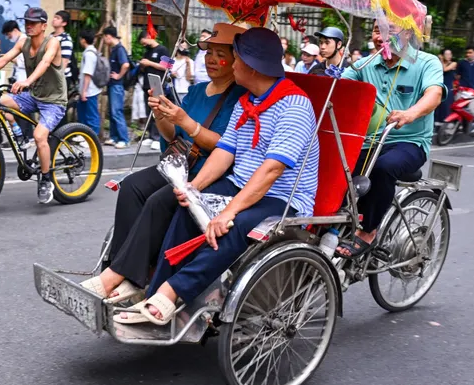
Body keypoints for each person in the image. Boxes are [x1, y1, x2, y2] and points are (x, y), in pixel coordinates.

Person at [116, 27, 319, 325]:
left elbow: (272, 170)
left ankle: (173, 292)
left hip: (282, 197)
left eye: (235, 59)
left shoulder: (294, 106)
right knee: (187, 207)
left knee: (230, 226)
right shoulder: (247, 101)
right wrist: (192, 187)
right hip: (241, 184)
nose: (232, 65)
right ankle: (156, 289)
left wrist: (228, 211)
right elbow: (225, 151)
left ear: (250, 66)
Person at [81, 23, 247, 303]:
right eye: (209, 53)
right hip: (179, 163)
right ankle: (119, 268)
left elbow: (223, 145)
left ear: (235, 60)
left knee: (160, 200)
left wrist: (186, 121)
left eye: (221, 54)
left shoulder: (239, 98)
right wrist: (161, 114)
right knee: (132, 186)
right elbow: (173, 137)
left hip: (210, 171)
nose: (212, 60)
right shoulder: (197, 91)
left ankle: (125, 277)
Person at [336, 22, 445, 258]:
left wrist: (410, 113)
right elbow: (340, 87)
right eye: (377, 30)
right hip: (369, 141)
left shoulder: (426, 62)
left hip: (410, 142)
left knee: (384, 167)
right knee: (336, 167)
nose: (381, 37)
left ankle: (368, 231)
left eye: (389, 31)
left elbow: (434, 95)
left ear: (407, 33)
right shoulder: (366, 63)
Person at [0, 7, 67, 204]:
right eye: (26, 22)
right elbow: (4, 59)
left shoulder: (52, 42)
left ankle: (46, 180)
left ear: (44, 26)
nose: (28, 26)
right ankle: (19, 136)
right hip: (34, 96)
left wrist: (27, 81)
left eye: (33, 23)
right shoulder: (23, 42)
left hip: (54, 101)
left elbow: (45, 63)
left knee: (39, 136)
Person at [139, 31, 171, 149]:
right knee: (149, 111)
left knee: (158, 110)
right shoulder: (147, 52)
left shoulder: (162, 50)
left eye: (144, 42)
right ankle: (151, 136)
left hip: (158, 84)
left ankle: (158, 137)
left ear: (148, 37)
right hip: (147, 84)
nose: (143, 45)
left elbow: (166, 67)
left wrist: (149, 63)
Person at [103, 26, 130, 148]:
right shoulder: (114, 49)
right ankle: (114, 137)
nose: (104, 40)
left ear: (108, 36)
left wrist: (119, 76)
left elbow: (125, 64)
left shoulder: (119, 49)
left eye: (104, 37)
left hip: (117, 86)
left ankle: (124, 139)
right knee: (112, 112)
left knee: (116, 112)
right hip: (112, 85)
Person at [76, 28, 102, 136]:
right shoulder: (90, 51)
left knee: (91, 115)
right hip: (87, 89)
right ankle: (84, 135)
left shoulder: (89, 54)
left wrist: (84, 91)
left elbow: (88, 74)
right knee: (83, 113)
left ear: (83, 40)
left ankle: (93, 138)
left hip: (90, 90)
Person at [51, 10, 75, 91]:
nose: (54, 19)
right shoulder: (50, 36)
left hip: (61, 78)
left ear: (64, 23)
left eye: (57, 18)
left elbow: (64, 61)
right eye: (54, 17)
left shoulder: (65, 39)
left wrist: (57, 77)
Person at [437, 48, 456, 123]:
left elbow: (444, 69)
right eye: (446, 54)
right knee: (438, 105)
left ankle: (446, 122)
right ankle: (437, 122)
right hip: (439, 86)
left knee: (446, 105)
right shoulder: (439, 63)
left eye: (450, 54)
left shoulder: (453, 63)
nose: (449, 56)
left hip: (448, 86)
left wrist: (441, 60)